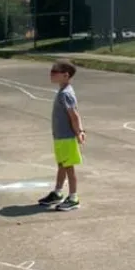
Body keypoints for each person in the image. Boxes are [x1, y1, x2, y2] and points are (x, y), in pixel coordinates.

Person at [38, 59, 85, 211]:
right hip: (60, 137)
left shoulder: (66, 94)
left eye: (54, 72)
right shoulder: (62, 91)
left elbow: (74, 116)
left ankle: (73, 197)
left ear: (65, 75)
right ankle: (58, 192)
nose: (51, 75)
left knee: (69, 167)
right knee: (62, 165)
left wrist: (79, 132)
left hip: (66, 138)